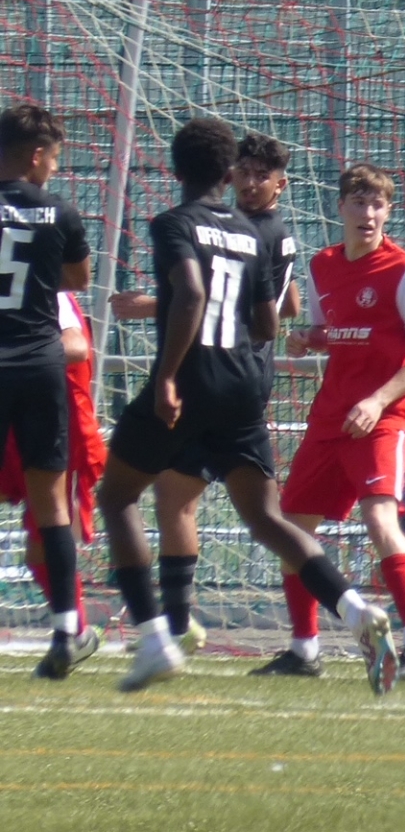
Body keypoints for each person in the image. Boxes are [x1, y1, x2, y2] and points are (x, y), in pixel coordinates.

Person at [96, 118, 397, 694]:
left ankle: (157, 637)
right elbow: (267, 322)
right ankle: (356, 609)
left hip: (190, 383)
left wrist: (166, 376)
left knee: (116, 496)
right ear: (228, 173)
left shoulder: (174, 223)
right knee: (266, 519)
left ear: (176, 170)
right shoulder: (251, 232)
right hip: (243, 386)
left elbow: (191, 293)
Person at [110, 131, 301, 655]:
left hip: (221, 377)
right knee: (184, 500)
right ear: (230, 173)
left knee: (177, 501)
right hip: (239, 379)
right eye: (245, 171)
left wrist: (153, 306)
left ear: (280, 185)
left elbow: (216, 301)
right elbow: (287, 306)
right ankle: (178, 623)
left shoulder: (255, 231)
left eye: (262, 175)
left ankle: (173, 626)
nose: (250, 182)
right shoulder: (263, 232)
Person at [263, 163, 405, 681]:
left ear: (389, 211)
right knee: (292, 528)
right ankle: (304, 649)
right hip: (331, 416)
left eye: (378, 204)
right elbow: (333, 332)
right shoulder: (322, 265)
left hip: (381, 417)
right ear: (341, 207)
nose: (368, 213)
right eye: (359, 203)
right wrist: (307, 339)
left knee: (381, 522)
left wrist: (379, 401)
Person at [0, 102, 93, 679]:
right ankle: (65, 633)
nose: (54, 168)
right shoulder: (59, 211)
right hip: (38, 363)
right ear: (36, 156)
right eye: (54, 158)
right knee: (51, 504)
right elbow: (78, 278)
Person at [1, 290, 105, 670]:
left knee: (43, 541)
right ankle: (74, 632)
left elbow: (76, 346)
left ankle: (75, 633)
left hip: (58, 421)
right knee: (40, 546)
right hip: (21, 414)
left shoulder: (43, 287)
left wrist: (20, 353)